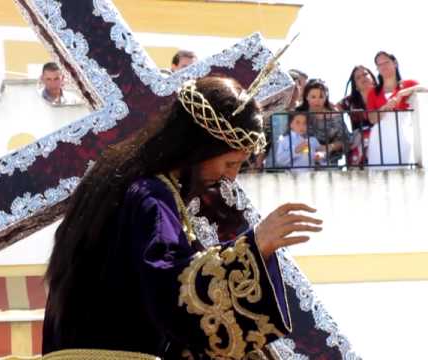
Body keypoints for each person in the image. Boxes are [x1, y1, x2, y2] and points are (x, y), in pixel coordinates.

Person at [42, 76, 323, 359]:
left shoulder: (119, 176)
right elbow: (171, 289)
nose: (231, 176)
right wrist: (254, 247)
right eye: (230, 162)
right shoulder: (149, 195)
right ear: (201, 147)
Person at [366, 51, 427, 166]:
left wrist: (402, 93)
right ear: (377, 69)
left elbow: (425, 88)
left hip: (403, 137)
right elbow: (372, 119)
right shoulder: (373, 92)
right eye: (379, 65)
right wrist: (385, 108)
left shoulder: (408, 84)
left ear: (395, 63)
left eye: (386, 62)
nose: (383, 66)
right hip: (380, 139)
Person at [296, 79, 351, 166]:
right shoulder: (298, 113)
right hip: (301, 161)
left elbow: (345, 140)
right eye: (313, 97)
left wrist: (328, 148)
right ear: (306, 97)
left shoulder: (334, 116)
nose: (317, 100)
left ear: (326, 97)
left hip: (329, 162)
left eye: (321, 97)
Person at [337, 65, 377, 165]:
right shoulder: (349, 101)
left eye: (365, 74)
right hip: (359, 144)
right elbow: (333, 111)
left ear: (372, 77)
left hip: (381, 140)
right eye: (358, 77)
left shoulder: (382, 96)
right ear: (355, 85)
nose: (363, 78)